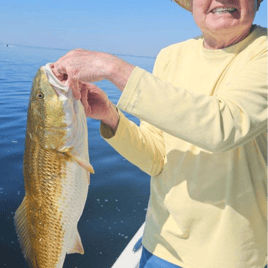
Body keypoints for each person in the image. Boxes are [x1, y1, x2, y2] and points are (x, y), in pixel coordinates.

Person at [51, 0, 268, 267]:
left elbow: (224, 126)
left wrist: (113, 68)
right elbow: (156, 157)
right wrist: (110, 115)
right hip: (159, 246)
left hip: (232, 257)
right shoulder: (169, 57)